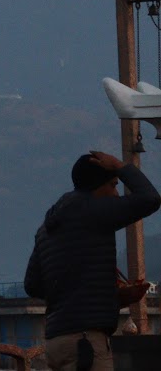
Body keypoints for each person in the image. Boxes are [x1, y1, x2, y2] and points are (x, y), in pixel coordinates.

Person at [25, 150, 161, 371]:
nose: (117, 194)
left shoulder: (47, 227)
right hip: (86, 343)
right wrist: (119, 165)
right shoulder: (93, 210)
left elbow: (32, 285)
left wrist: (103, 295)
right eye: (114, 185)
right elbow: (150, 199)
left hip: (55, 342)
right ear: (99, 186)